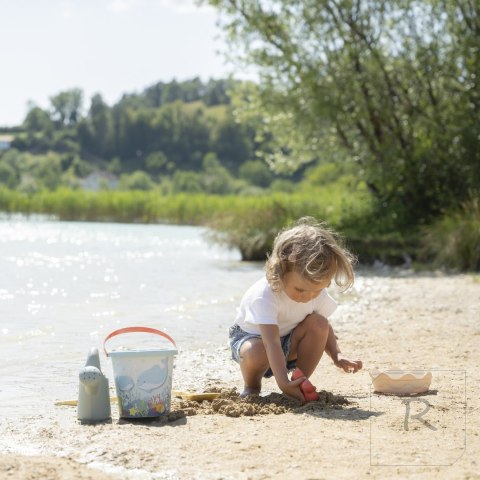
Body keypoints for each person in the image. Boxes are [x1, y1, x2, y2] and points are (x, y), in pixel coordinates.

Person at [229, 217, 363, 402]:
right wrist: (281, 382)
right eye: (300, 289)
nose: (307, 297)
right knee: (258, 351)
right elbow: (271, 343)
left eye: (317, 290)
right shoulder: (265, 295)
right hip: (255, 342)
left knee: (318, 322)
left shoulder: (316, 294)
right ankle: (252, 386)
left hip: (289, 342)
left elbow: (324, 328)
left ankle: (299, 380)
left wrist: (336, 355)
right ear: (281, 270)